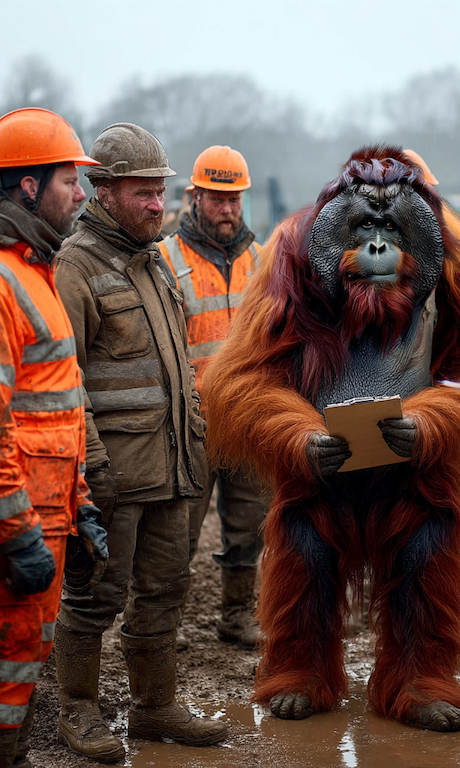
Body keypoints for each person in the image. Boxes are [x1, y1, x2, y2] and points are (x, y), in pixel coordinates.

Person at [53, 123, 227, 762]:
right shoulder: (74, 267)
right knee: (96, 594)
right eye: (144, 193)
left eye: (161, 191)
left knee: (165, 590)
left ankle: (154, 708)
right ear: (103, 190)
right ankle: (78, 710)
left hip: (174, 466)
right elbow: (61, 380)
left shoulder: (154, 261)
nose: (160, 203)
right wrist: (93, 469)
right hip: (115, 475)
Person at [0, 108, 107, 768]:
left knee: (27, 659)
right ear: (28, 186)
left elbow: (58, 411)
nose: (82, 194)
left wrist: (79, 507)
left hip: (47, 516)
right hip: (12, 529)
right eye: (70, 180)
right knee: (1, 674)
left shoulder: (37, 270)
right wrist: (17, 532)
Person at [158, 145, 267, 649]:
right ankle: (164, 620)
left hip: (247, 421)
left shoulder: (264, 261)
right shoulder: (164, 259)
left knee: (250, 526)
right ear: (196, 196)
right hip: (190, 423)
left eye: (235, 198)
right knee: (178, 530)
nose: (228, 208)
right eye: (218, 197)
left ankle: (236, 615)